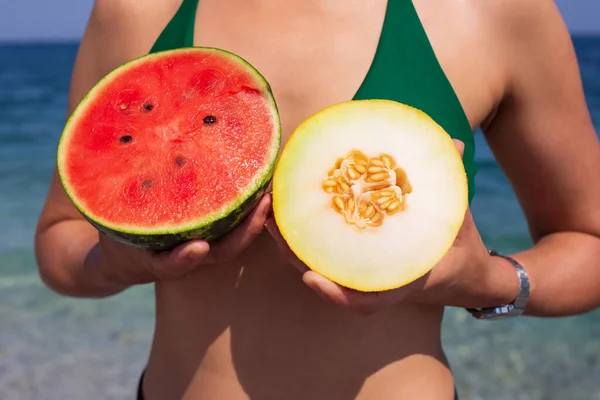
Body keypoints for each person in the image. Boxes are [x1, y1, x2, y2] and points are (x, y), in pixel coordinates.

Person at [35, 0, 600, 399]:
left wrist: (485, 283)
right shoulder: (138, 10)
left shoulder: (494, 11)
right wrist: (115, 260)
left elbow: (589, 245)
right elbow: (60, 242)